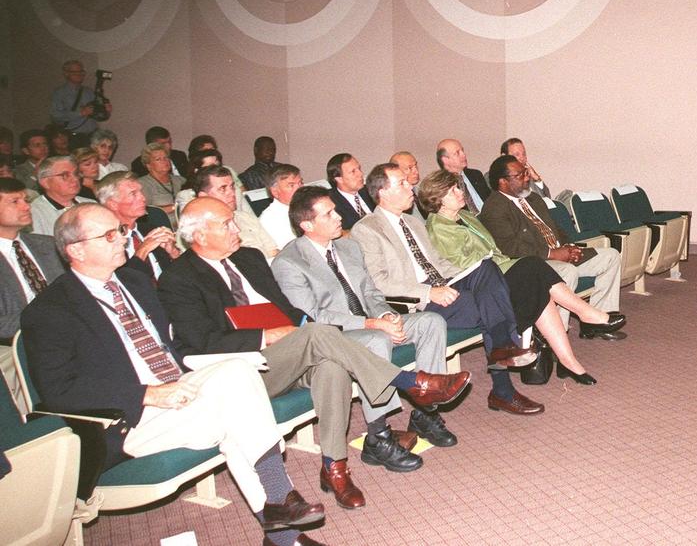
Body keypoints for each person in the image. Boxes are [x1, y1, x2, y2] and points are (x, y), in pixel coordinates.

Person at [25, 204, 330, 545]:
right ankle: (282, 519)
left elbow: (176, 342)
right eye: (109, 235)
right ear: (76, 250)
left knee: (238, 371)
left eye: (121, 230)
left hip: (180, 384)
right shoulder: (50, 310)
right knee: (237, 417)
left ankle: (280, 516)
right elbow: (59, 390)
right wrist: (147, 394)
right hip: (129, 417)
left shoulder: (133, 280)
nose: (123, 240)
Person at [157, 197, 470, 510]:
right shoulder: (179, 279)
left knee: (330, 365)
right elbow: (202, 342)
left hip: (292, 350)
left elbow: (290, 311)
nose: (237, 228)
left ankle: (334, 467)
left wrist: (296, 328)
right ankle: (411, 382)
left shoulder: (250, 258)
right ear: (198, 235)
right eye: (226, 224)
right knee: (318, 331)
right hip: (244, 370)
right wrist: (265, 335)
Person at [273, 186, 460, 450]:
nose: (339, 216)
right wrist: (372, 324)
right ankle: (378, 435)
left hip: (373, 321)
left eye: (336, 210)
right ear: (306, 224)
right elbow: (314, 316)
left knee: (431, 322)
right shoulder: (290, 262)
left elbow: (371, 292)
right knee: (376, 340)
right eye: (328, 214)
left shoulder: (349, 248)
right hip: (336, 336)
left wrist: (385, 315)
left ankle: (425, 413)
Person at [349, 163, 542, 416]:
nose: (411, 188)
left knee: (486, 268)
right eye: (403, 184)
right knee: (490, 305)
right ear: (383, 192)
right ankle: (503, 385)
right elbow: (379, 281)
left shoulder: (413, 222)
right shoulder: (367, 228)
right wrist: (429, 293)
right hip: (417, 299)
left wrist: (465, 272)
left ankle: (503, 352)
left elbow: (437, 263)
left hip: (443, 283)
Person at [421, 170, 623, 386]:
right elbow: (468, 264)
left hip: (498, 267)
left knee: (539, 285)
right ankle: (586, 315)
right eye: (452, 191)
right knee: (533, 267)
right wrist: (500, 259)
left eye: (457, 187)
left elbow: (492, 249)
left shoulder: (465, 216)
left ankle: (569, 360)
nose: (460, 192)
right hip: (480, 282)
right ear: (438, 200)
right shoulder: (438, 227)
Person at [481, 155, 626, 338]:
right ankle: (555, 336)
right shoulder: (494, 208)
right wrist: (553, 253)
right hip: (534, 262)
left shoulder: (533, 199)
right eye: (520, 175)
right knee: (566, 272)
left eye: (526, 173)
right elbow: (510, 247)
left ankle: (596, 324)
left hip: (559, 253)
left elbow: (555, 229)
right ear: (503, 182)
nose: (527, 178)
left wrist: (568, 247)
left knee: (610, 256)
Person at [0, 177, 65, 404]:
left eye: (26, 200)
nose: (26, 206)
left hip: (67, 332)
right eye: (15, 201)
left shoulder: (47, 244)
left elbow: (72, 292)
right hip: (21, 342)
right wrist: (42, 320)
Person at [98, 172, 179, 285]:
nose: (143, 198)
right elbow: (123, 284)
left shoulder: (150, 229)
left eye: (141, 192)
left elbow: (178, 275)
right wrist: (143, 250)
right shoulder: (104, 242)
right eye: (133, 194)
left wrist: (173, 253)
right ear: (113, 204)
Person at [192, 165, 280, 260]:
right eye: (223, 189)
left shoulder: (246, 217)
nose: (232, 193)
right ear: (204, 196)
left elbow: (273, 251)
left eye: (232, 187)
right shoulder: (201, 230)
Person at [49, 60, 110, 147]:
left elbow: (98, 116)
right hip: (73, 138)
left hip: (93, 136)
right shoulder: (59, 93)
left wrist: (106, 111)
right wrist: (80, 113)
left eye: (81, 71)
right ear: (66, 74)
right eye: (75, 72)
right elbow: (56, 116)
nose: (80, 74)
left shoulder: (89, 92)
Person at [29, 156, 95, 235]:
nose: (75, 179)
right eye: (65, 175)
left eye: (76, 174)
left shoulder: (91, 204)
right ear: (45, 183)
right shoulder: (34, 212)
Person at [435, 139, 489, 211]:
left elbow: (490, 201)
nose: (463, 155)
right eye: (457, 153)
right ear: (445, 160)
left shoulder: (476, 174)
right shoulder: (441, 184)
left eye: (462, 151)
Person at [326, 153, 374, 231]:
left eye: (359, 168)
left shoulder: (370, 190)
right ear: (339, 179)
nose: (360, 174)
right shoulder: (330, 202)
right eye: (353, 171)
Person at [260, 165, 304, 249]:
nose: (300, 189)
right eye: (291, 185)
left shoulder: (310, 206)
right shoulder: (270, 219)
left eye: (300, 183)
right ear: (275, 192)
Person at [138, 142, 184, 222]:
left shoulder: (181, 180)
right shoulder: (142, 184)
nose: (165, 161)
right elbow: (145, 212)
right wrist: (176, 207)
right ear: (148, 165)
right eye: (158, 159)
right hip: (160, 227)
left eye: (166, 158)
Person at [389, 150, 428, 222]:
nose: (416, 171)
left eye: (415, 166)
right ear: (397, 171)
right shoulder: (397, 200)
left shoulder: (422, 191)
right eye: (409, 168)